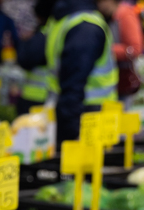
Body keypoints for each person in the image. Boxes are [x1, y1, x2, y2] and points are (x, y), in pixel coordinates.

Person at [45, 0, 117, 143]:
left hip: (78, 111)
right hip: (87, 116)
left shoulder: (64, 18)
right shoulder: (86, 25)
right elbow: (74, 82)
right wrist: (73, 132)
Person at [17, 0, 56, 114]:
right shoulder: (60, 30)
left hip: (36, 97)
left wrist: (24, 42)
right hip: (51, 96)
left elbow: (24, 60)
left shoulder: (44, 35)